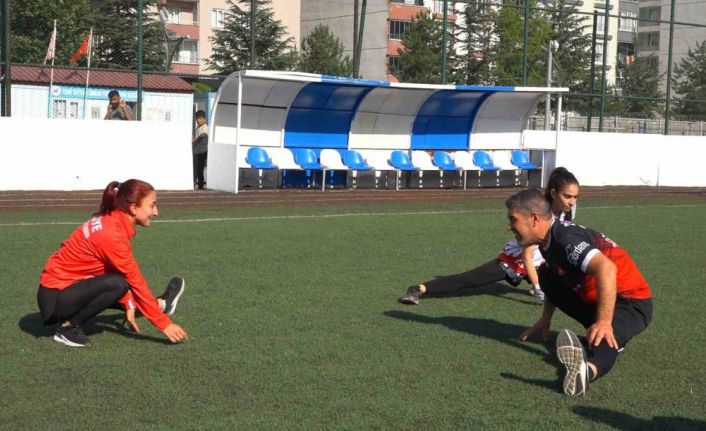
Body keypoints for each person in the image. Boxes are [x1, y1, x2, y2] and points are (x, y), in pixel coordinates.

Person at [508, 189, 652, 396]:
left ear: (534, 218)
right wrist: (545, 319)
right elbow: (555, 279)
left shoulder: (565, 239)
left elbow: (607, 268)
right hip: (598, 299)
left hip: (630, 302)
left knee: (605, 339)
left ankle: (586, 372)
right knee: (546, 274)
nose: (510, 226)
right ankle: (590, 342)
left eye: (513, 220)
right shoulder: (548, 240)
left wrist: (604, 322)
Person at [37, 179, 189, 347]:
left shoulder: (110, 220)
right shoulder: (111, 234)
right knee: (118, 284)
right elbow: (135, 281)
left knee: (120, 285)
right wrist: (164, 325)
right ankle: (68, 328)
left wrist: (128, 301)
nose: (156, 212)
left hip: (61, 292)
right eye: (152, 205)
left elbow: (108, 268)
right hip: (55, 299)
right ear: (133, 208)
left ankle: (161, 304)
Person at [399, 167, 580, 305]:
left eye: (575, 197)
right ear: (554, 193)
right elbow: (526, 256)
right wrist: (538, 286)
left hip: (538, 264)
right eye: (568, 196)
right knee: (468, 279)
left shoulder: (566, 213)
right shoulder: (540, 214)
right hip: (514, 262)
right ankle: (418, 289)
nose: (572, 202)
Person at [192, 110, 208, 190]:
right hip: (197, 151)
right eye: (197, 118)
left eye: (200, 118)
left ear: (204, 119)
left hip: (202, 152)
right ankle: (198, 184)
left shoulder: (205, 128)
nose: (198, 120)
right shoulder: (198, 128)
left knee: (199, 168)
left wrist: (193, 143)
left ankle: (200, 185)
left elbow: (200, 138)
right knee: (197, 168)